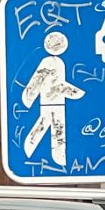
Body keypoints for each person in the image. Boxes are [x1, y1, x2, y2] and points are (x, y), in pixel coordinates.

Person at [22, 31, 84, 167]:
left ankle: (59, 158)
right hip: (49, 102)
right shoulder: (49, 63)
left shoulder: (58, 63)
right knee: (49, 126)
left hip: (56, 103)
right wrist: (75, 92)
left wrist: (28, 99)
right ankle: (35, 150)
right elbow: (38, 82)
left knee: (57, 129)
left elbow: (37, 83)